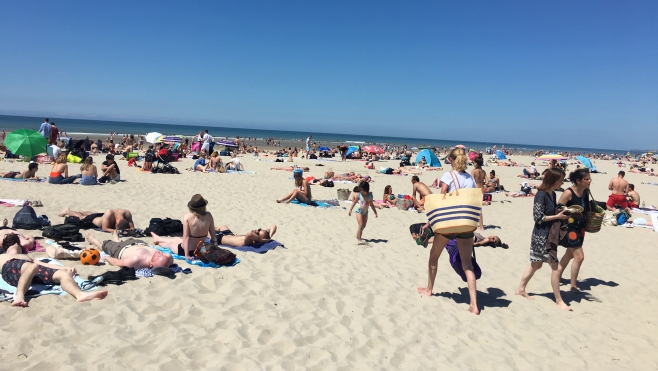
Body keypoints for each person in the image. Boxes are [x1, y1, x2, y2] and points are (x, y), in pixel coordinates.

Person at [416, 148, 480, 315]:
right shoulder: (470, 179)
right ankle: (474, 304)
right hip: (465, 223)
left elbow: (441, 203)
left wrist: (430, 223)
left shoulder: (448, 176)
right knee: (468, 264)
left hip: (448, 223)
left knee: (433, 257)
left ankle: (429, 289)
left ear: (451, 160)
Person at [515, 168, 572, 311]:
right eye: (560, 180)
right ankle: (559, 301)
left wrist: (561, 211)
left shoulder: (552, 194)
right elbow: (538, 217)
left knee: (536, 264)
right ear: (553, 180)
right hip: (542, 236)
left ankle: (520, 289)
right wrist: (558, 217)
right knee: (556, 268)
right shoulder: (541, 195)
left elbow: (550, 212)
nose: (561, 183)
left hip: (548, 234)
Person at [0, 252, 108, 307]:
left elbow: (42, 264)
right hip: (9, 268)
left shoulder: (25, 256)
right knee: (32, 267)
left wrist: (64, 268)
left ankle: (80, 295)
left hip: (30, 270)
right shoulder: (4, 256)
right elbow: (34, 265)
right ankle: (19, 296)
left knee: (63, 275)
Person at [557, 168, 591, 293]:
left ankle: (557, 275)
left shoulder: (585, 192)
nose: (589, 181)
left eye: (589, 179)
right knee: (579, 257)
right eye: (586, 179)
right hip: (569, 228)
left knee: (569, 254)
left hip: (581, 228)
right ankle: (573, 286)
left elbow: (588, 206)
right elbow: (559, 207)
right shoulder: (568, 192)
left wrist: (605, 205)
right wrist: (569, 211)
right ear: (578, 181)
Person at [85, 231, 173, 269]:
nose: (159, 253)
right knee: (118, 242)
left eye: (158, 256)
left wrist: (106, 258)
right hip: (138, 242)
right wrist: (165, 259)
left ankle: (95, 241)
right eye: (161, 254)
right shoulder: (165, 258)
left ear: (151, 264)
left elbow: (117, 263)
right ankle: (116, 239)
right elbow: (169, 258)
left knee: (105, 246)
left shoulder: (137, 261)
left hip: (119, 249)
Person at [152, 225, 277, 249]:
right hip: (228, 235)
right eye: (259, 229)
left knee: (198, 231)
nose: (256, 230)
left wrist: (262, 239)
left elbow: (250, 234)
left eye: (258, 232)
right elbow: (273, 225)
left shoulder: (250, 240)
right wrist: (269, 236)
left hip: (219, 238)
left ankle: (161, 237)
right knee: (222, 225)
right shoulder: (253, 238)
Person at [180, 194, 217, 259]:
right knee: (176, 240)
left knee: (169, 243)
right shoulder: (209, 216)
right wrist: (216, 248)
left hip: (190, 250)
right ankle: (158, 238)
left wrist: (187, 255)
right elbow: (213, 235)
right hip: (201, 250)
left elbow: (186, 237)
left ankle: (158, 239)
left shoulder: (187, 217)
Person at [58, 208, 134, 232]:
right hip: (94, 220)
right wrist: (116, 231)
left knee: (93, 214)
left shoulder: (126, 213)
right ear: (116, 224)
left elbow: (132, 227)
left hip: (102, 217)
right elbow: (104, 228)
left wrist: (130, 229)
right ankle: (67, 211)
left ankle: (83, 212)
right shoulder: (109, 212)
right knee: (81, 218)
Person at [471, 153, 487, 228]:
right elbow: (487, 182)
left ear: (476, 163)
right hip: (481, 190)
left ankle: (481, 226)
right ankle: (478, 225)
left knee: (477, 209)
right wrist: (481, 181)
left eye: (474, 162)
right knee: (478, 208)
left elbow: (471, 182)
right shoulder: (483, 172)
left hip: (475, 190)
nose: (473, 164)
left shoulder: (473, 171)